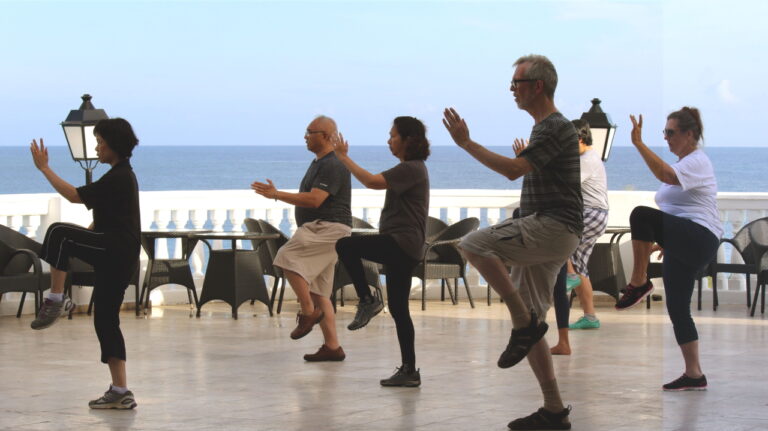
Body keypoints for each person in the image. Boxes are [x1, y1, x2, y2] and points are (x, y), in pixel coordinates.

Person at [443, 54, 581, 430]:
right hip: (551, 230)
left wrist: (466, 143)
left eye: (517, 83)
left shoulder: (554, 126)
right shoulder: (543, 128)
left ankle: (521, 321)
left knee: (472, 243)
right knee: (536, 324)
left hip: (553, 226)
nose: (511, 90)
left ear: (537, 86)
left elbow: (512, 171)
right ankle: (553, 410)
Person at [29, 118, 141, 409]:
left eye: (100, 142)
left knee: (58, 232)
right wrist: (83, 241)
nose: (96, 147)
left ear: (113, 146)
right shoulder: (121, 176)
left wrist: (44, 168)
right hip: (120, 255)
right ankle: (120, 390)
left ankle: (55, 299)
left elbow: (74, 196)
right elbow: (106, 218)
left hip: (114, 251)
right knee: (106, 320)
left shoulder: (119, 177)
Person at [615, 107, 722, 391]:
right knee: (677, 307)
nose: (667, 138)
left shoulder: (697, 161)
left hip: (701, 236)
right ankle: (694, 373)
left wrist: (638, 144)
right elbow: (680, 208)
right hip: (686, 239)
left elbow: (666, 175)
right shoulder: (687, 162)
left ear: (690, 134)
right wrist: (668, 240)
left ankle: (639, 282)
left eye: (671, 133)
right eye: (665, 132)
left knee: (640, 214)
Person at [334, 116, 430, 387]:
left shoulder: (411, 168)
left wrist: (343, 157)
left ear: (408, 140)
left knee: (345, 244)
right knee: (400, 310)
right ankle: (410, 371)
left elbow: (372, 182)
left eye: (393, 136)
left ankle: (367, 299)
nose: (389, 140)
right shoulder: (412, 168)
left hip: (401, 244)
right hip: (406, 247)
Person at [251, 115, 352, 362]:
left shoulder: (333, 164)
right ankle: (332, 347)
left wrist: (277, 194)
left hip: (327, 229)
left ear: (326, 136)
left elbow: (316, 199)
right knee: (320, 292)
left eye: (310, 132)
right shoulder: (319, 162)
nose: (305, 136)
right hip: (322, 229)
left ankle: (307, 312)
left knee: (286, 256)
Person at [546, 119, 609, 355]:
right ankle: (590, 316)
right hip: (595, 215)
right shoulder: (588, 159)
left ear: (581, 139)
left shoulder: (587, 160)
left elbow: (566, 183)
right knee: (582, 267)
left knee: (560, 236)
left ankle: (569, 275)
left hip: (591, 214)